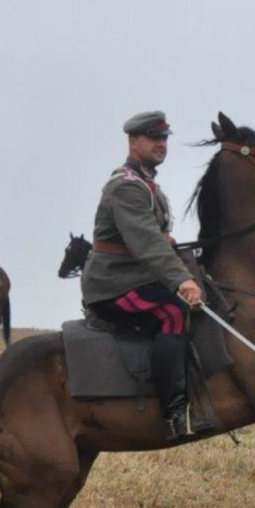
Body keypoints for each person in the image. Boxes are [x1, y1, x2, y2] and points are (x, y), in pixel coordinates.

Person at [80, 111, 213, 441]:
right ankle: (172, 415)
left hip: (133, 276)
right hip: (113, 284)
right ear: (133, 141)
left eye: (165, 138)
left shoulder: (147, 184)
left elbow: (149, 235)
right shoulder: (127, 186)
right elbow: (146, 242)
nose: (161, 144)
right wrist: (182, 280)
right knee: (172, 312)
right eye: (154, 138)